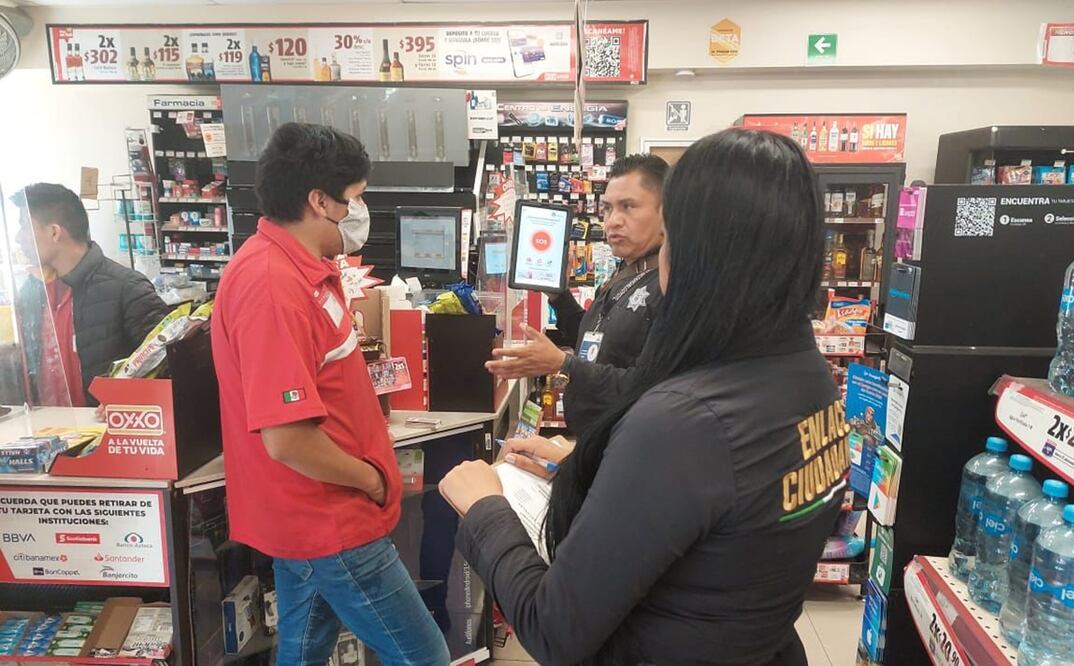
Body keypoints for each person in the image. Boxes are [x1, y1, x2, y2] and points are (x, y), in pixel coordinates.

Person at [440, 129, 847, 665]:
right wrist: (589, 466)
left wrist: (485, 508)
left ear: (699, 251)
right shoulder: (808, 375)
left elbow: (554, 627)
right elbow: (721, 515)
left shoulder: (683, 422)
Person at [210, 123, 448, 666]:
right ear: (319, 201)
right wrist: (372, 480)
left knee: (303, 651)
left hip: (316, 519)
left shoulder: (302, 269)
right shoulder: (272, 286)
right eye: (354, 199)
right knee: (424, 656)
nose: (360, 212)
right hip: (330, 519)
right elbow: (287, 438)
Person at [486, 154, 667, 431]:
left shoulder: (668, 285)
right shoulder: (626, 272)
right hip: (593, 442)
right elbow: (594, 345)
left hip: (626, 443)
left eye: (628, 207)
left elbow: (650, 387)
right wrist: (559, 297)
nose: (613, 221)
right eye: (607, 208)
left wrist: (564, 364)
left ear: (666, 212)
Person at [12, 183, 168, 407]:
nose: (18, 238)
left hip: (102, 426)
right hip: (43, 425)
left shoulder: (126, 288)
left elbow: (167, 363)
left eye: (25, 227)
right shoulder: (31, 292)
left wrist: (126, 398)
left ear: (54, 232)